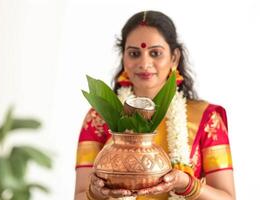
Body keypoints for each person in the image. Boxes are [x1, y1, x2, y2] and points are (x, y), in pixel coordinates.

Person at [74, 10, 235, 200]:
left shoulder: (207, 118)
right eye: (134, 53)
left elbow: (227, 198)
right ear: (123, 58)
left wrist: (187, 184)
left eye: (155, 53)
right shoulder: (99, 118)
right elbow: (79, 196)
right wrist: (96, 193)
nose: (144, 63)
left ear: (174, 58)